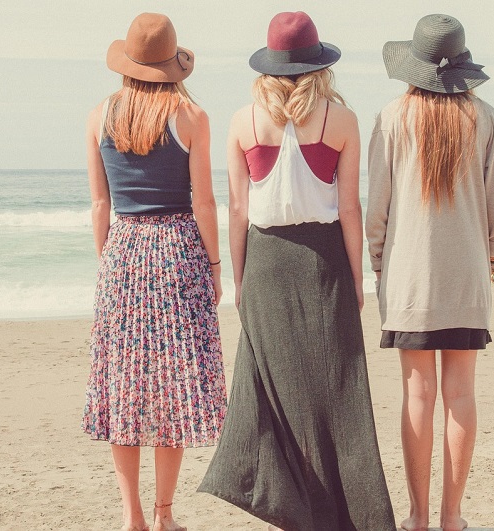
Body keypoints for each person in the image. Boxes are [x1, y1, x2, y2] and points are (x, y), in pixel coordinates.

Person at [198, 11, 396, 531]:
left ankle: (292, 506)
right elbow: (349, 207)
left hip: (265, 260)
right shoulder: (340, 119)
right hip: (324, 257)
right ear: (317, 65)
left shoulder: (244, 121)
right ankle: (351, 514)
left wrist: (240, 279)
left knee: (274, 388)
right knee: (338, 390)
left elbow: (238, 211)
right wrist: (358, 275)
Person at [81, 13, 227, 531]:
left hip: (124, 248)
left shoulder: (100, 115)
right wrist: (214, 265)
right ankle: (165, 516)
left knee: (124, 384)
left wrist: (110, 262)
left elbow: (100, 204)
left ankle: (132, 517)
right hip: (177, 249)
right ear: (172, 65)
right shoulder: (191, 116)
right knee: (172, 385)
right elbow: (204, 202)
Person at [365, 14, 494, 531]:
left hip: (409, 277)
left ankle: (418, 517)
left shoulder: (392, 116)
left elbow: (376, 207)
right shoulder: (484, 117)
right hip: (467, 274)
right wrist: (489, 262)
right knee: (462, 393)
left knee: (417, 394)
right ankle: (452, 518)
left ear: (414, 66)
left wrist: (381, 266)